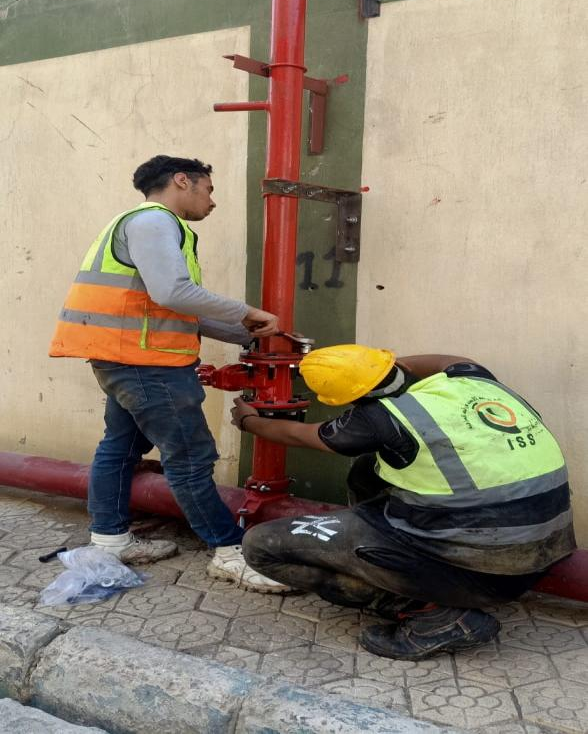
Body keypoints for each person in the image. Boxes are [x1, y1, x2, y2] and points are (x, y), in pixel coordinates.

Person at [231, 344, 576, 657]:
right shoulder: (472, 379)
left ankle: (436, 615)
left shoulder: (378, 419)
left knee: (261, 546)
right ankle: (408, 567)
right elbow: (448, 358)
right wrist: (374, 366)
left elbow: (301, 434)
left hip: (480, 574)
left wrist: (249, 421)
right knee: (371, 467)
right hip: (540, 559)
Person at [50, 154, 290, 593]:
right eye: (209, 190)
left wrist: (244, 333)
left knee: (120, 447)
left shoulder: (133, 224)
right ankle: (229, 551)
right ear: (183, 180)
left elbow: (170, 307)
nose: (212, 201)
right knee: (191, 458)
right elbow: (173, 291)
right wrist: (247, 312)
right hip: (150, 366)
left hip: (123, 358)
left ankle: (110, 542)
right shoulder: (155, 222)